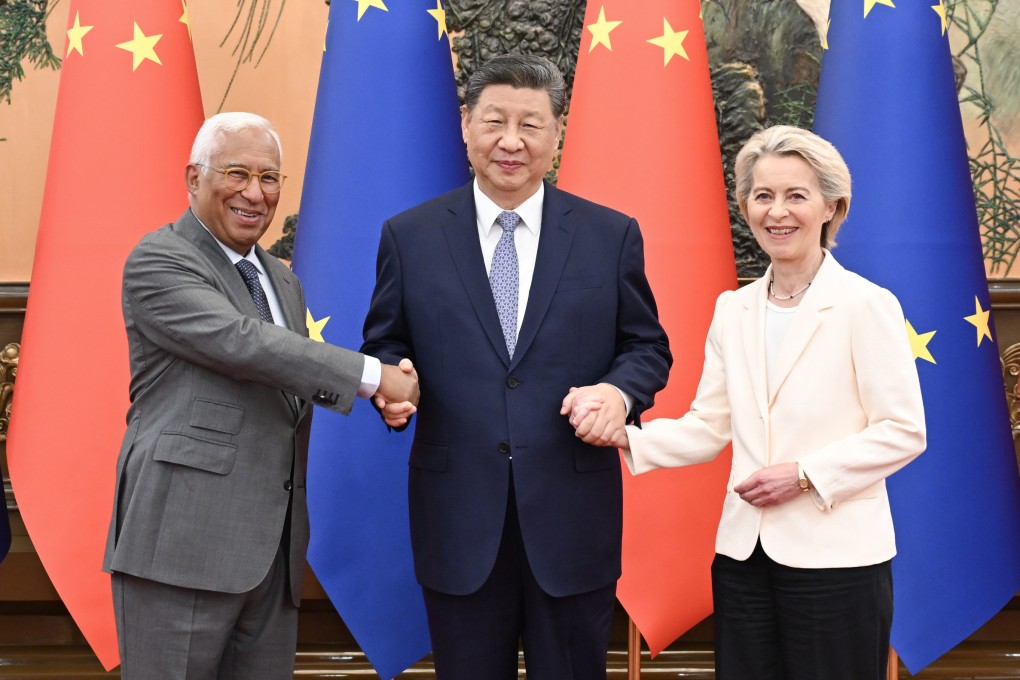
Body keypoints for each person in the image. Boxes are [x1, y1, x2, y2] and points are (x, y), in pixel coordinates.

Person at [569, 124, 926, 680]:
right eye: (763, 196)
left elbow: (903, 430)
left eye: (796, 196)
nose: (777, 212)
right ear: (744, 206)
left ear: (832, 206)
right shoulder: (732, 310)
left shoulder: (866, 304)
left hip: (836, 560)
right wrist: (626, 435)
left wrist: (805, 475)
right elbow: (711, 426)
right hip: (742, 556)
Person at [362, 54, 672, 679]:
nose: (511, 141)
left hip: (571, 519)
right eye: (495, 121)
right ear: (466, 126)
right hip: (458, 521)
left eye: (530, 125)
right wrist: (392, 393)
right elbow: (385, 348)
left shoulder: (609, 235)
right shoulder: (411, 236)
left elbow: (647, 348)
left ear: (556, 133)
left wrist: (619, 393)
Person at [102, 111, 418, 679]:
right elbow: (243, 344)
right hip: (183, 548)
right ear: (194, 179)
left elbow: (289, 378)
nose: (255, 193)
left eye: (270, 178)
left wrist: (381, 397)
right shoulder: (160, 260)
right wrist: (373, 378)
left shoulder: (282, 279)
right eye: (237, 173)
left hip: (271, 555)